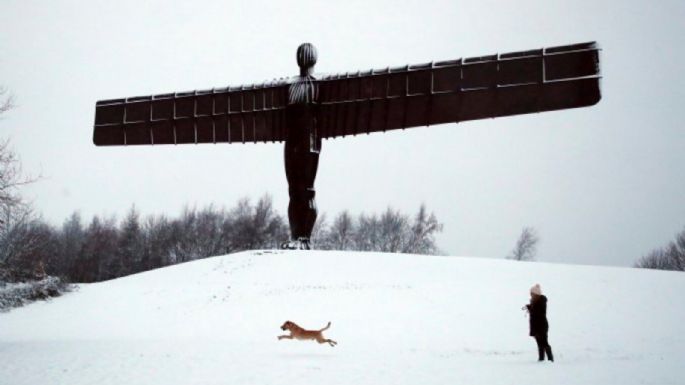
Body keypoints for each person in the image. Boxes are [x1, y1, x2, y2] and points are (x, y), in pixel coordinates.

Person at [525, 284, 554, 362]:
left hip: (541, 326)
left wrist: (531, 308)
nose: (531, 295)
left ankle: (550, 358)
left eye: (532, 293)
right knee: (539, 343)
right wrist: (530, 307)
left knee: (544, 342)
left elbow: (538, 313)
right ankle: (541, 358)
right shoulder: (535, 301)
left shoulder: (541, 302)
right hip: (536, 326)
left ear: (536, 294)